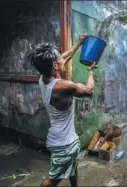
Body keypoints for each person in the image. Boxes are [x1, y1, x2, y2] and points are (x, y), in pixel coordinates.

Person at [28, 33, 96, 187]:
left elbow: (65, 57)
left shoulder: (43, 78)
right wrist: (90, 71)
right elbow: (89, 91)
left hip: (62, 139)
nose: (63, 58)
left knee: (73, 166)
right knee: (52, 180)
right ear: (54, 66)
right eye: (59, 58)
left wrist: (79, 43)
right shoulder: (63, 86)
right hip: (64, 144)